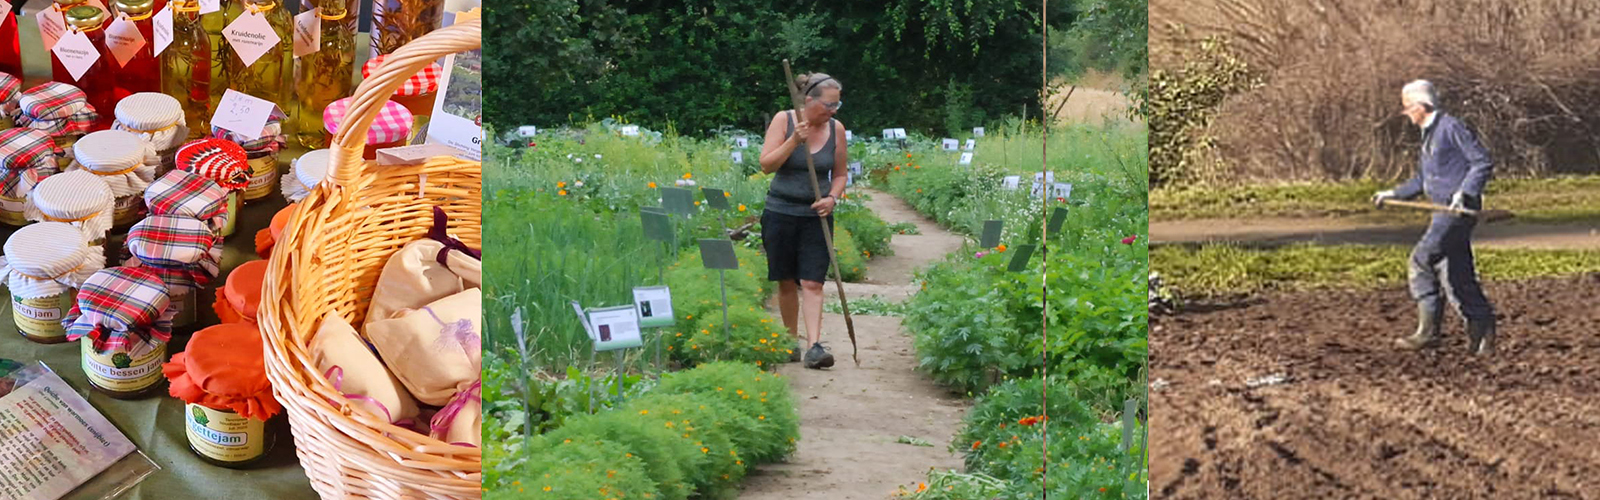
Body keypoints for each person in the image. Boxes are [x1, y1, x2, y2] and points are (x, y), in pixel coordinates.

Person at [1373, 79, 1497, 355]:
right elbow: (1424, 179)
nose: (1406, 115)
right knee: (1456, 275)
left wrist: (1464, 192)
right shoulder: (1428, 134)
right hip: (1440, 212)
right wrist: (1393, 193)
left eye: (1407, 108)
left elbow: (1481, 162)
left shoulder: (1450, 128)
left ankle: (1428, 332)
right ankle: (1482, 330)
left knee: (1421, 259)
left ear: (1421, 106)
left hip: (1455, 213)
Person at [757, 72, 847, 369]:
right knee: (785, 281)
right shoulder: (785, 120)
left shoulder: (837, 130)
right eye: (828, 105)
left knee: (813, 281)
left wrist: (831, 198)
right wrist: (795, 140)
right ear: (809, 101)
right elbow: (767, 165)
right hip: (780, 212)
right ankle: (790, 340)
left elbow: (841, 174)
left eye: (837, 105)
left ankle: (815, 347)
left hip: (816, 216)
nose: (833, 111)